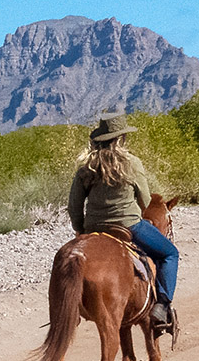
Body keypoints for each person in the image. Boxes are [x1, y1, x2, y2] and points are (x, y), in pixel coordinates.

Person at [67, 110, 180, 328]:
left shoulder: (86, 167)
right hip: (130, 226)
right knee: (170, 254)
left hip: (93, 229)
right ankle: (163, 305)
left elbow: (74, 205)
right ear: (121, 138)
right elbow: (145, 201)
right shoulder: (132, 163)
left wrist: (81, 230)